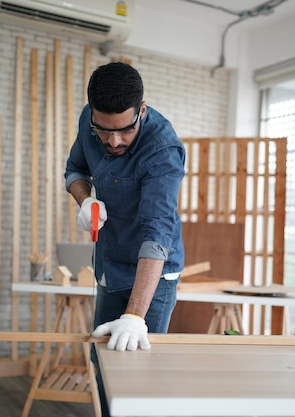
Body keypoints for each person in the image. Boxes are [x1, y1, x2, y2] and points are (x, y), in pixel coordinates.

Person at [64, 61, 186, 417]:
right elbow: (74, 171)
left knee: (138, 376)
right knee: (103, 364)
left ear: (142, 112)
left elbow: (157, 236)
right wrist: (85, 199)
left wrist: (134, 315)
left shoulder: (163, 150)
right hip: (109, 261)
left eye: (124, 131)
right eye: (103, 132)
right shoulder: (91, 119)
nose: (113, 141)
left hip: (153, 275)